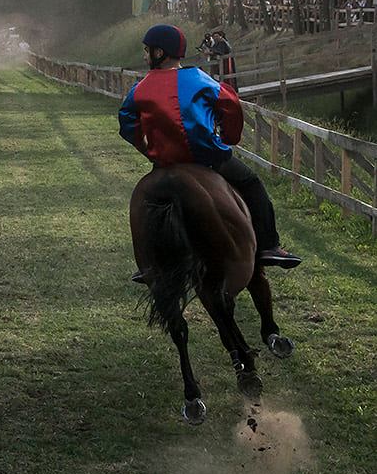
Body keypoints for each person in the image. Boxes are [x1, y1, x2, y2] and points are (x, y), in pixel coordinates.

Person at [119, 23, 301, 282]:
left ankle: (148, 264)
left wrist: (146, 148)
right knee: (252, 184)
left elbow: (127, 122)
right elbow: (232, 105)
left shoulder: (140, 88)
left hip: (166, 166)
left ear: (160, 53)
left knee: (144, 205)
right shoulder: (203, 80)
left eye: (147, 51)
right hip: (211, 161)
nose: (145, 56)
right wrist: (228, 138)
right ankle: (269, 246)